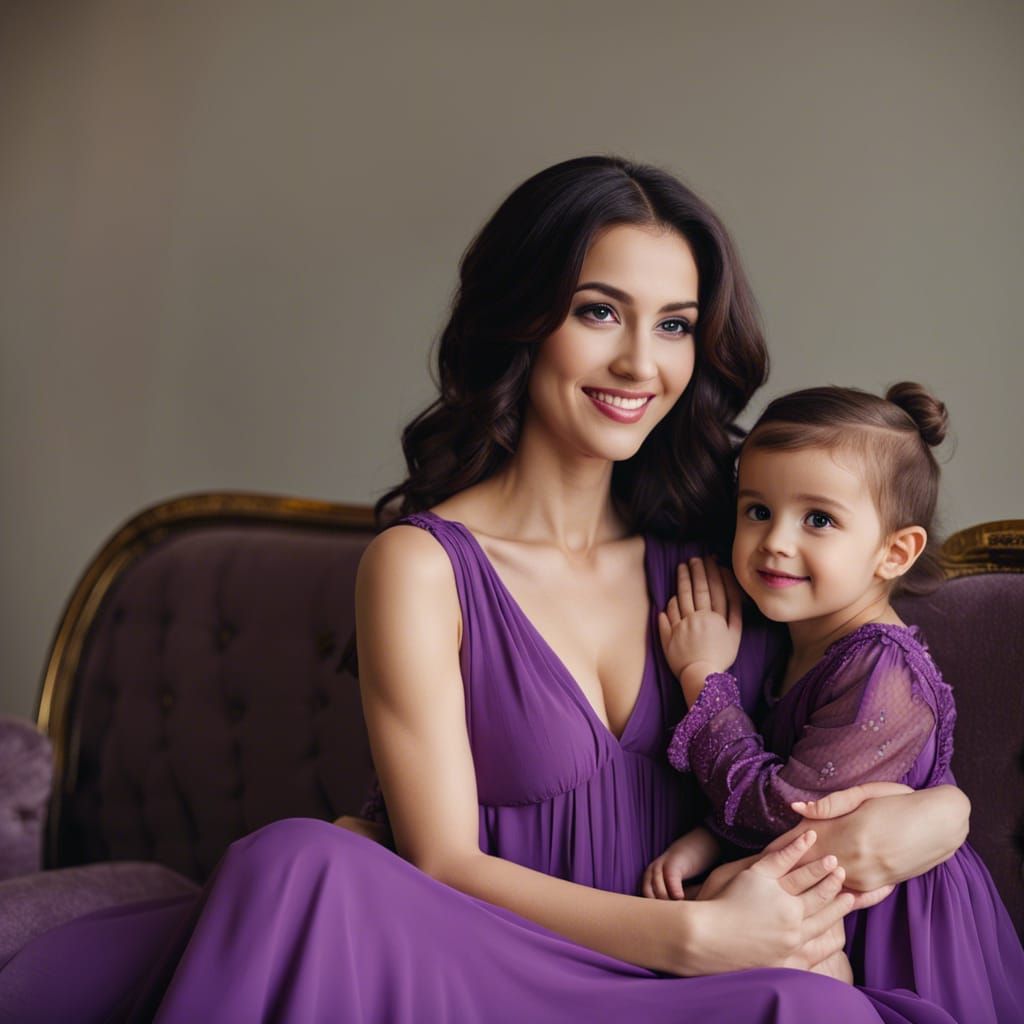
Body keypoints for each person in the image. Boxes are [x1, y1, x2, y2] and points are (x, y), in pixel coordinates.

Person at [0, 157, 971, 1022]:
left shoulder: (736, 541)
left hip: (704, 988)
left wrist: (939, 816)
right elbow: (442, 865)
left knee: (810, 1011)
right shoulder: (423, 566)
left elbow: (873, 690)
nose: (641, 362)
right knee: (295, 860)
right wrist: (690, 937)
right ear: (523, 319)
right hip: (501, 964)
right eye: (600, 312)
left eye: (673, 325)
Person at [652, 383, 1024, 1022]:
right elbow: (802, 780)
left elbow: (785, 808)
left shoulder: (883, 668)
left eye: (818, 519)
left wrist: (700, 676)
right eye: (757, 510)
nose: (775, 541)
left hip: (901, 931)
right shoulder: (793, 638)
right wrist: (709, 841)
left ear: (894, 552)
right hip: (818, 899)